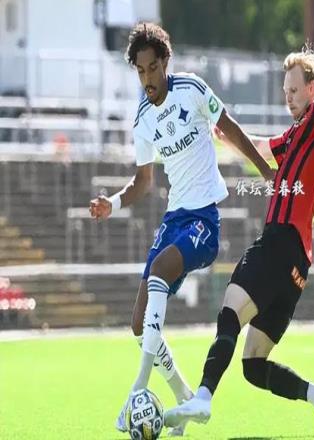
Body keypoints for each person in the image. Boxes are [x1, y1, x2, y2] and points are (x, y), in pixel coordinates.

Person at [163, 44, 314, 437]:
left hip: (280, 243)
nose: (289, 97)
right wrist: (220, 134)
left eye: (294, 90)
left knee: (229, 312)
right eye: (285, 91)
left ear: (312, 88)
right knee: (253, 364)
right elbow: (262, 147)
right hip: (297, 263)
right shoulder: (295, 134)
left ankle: (203, 397)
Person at [89, 22, 273, 436]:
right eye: (141, 71)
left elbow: (228, 126)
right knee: (138, 324)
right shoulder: (142, 118)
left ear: (165, 62)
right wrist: (112, 203)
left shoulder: (191, 89)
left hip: (203, 220)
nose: (148, 79)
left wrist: (264, 170)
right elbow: (143, 182)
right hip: (173, 221)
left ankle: (138, 387)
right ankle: (183, 396)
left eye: (153, 68)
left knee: (158, 272)